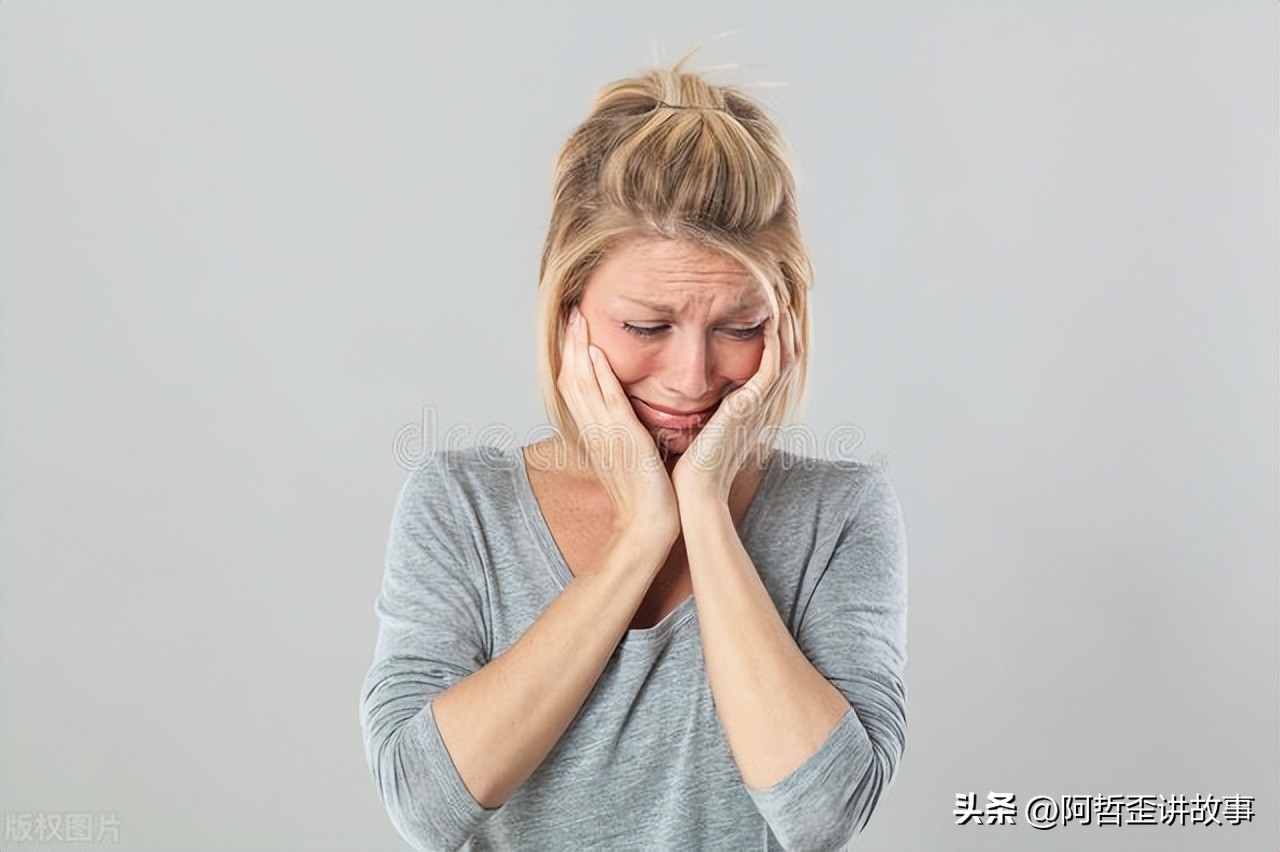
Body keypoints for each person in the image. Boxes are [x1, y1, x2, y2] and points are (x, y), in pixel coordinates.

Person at [360, 57, 908, 851]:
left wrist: (704, 513)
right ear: (569, 312)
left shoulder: (841, 513)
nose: (692, 378)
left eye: (740, 327)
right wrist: (640, 536)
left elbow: (820, 816)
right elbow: (426, 806)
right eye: (647, 327)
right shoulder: (459, 504)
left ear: (786, 322)